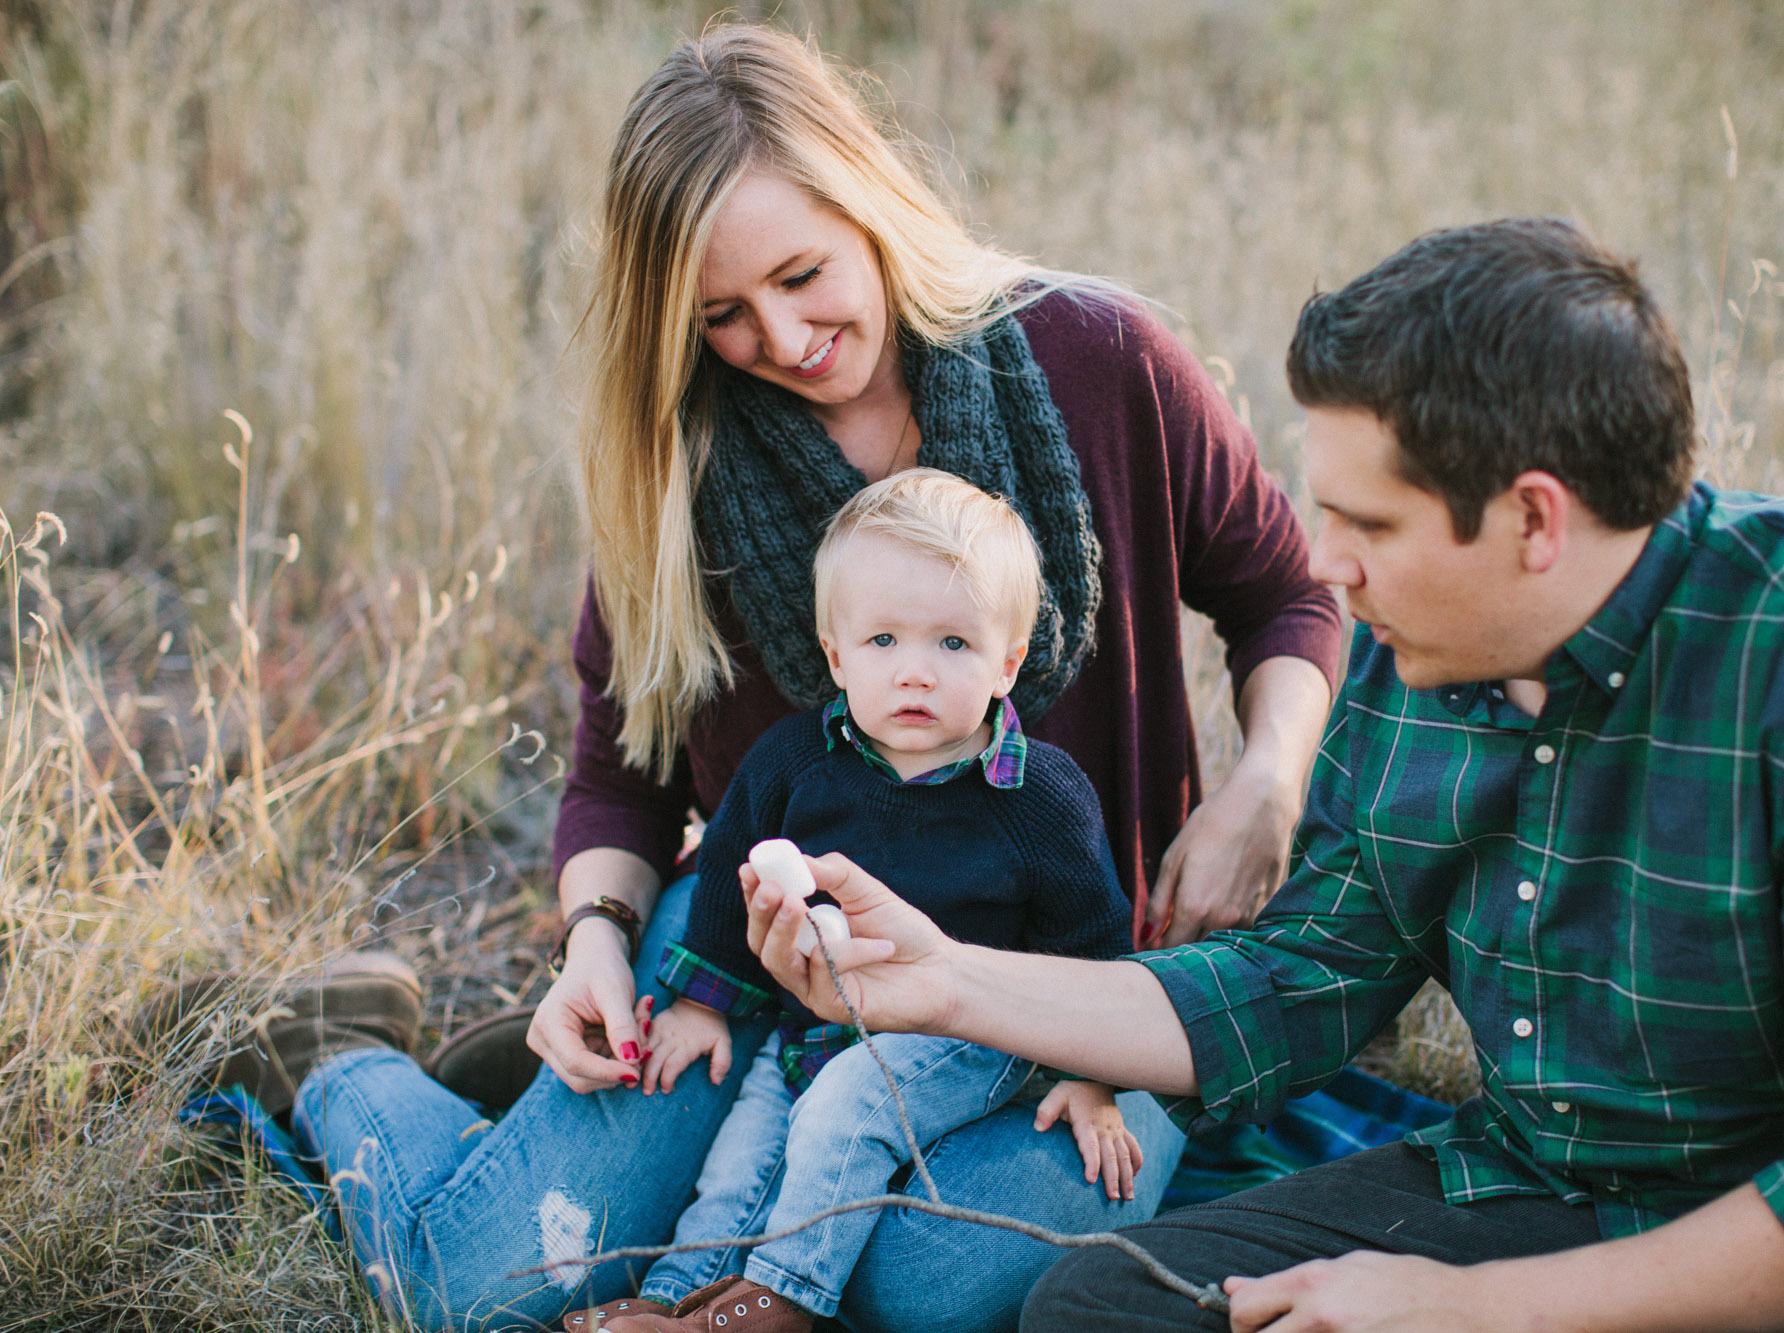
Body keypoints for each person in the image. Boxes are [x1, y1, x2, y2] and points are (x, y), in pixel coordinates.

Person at [280, 22, 1349, 1332]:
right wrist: (597, 945)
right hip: (767, 981)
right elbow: (617, 777)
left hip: (1081, 985)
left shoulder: (1100, 355)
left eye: (801, 274)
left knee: (930, 1285)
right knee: (475, 1290)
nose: (782, 338)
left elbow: (1286, 595)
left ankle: (591, 1151)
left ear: (869, 201)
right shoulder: (676, 463)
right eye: (720, 314)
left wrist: (1267, 785)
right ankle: (337, 1060)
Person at [741, 218, 1784, 1332]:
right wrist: (947, 982)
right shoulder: (1408, 661)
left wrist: (1472, 1312)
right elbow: (1296, 976)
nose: (1325, 567)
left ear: (1533, 520)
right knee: (1102, 1304)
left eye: (1365, 526)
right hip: (1529, 1186)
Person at [612, 469, 1144, 1332]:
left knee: (848, 1106)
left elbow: (1092, 936)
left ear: (1008, 661)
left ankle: (783, 1299)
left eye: (953, 645)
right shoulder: (794, 765)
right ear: (836, 653)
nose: (915, 674)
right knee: (742, 1162)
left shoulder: (1038, 797)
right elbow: (726, 873)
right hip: (812, 1030)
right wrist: (707, 1002)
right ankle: (680, 1304)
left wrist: (1091, 1075)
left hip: (975, 1031)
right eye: (885, 640)